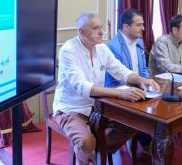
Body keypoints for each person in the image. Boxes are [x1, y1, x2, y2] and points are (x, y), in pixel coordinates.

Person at [53, 12, 159, 165]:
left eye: (101, 27)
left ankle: (97, 150)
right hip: (71, 108)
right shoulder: (68, 51)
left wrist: (142, 79)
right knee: (85, 142)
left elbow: (121, 71)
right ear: (81, 31)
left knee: (134, 123)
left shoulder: (101, 48)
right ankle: (88, 154)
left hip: (97, 106)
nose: (102, 31)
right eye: (96, 28)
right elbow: (82, 86)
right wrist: (121, 93)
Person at [104, 9, 160, 154]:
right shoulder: (112, 46)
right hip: (118, 90)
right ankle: (140, 139)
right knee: (144, 114)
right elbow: (116, 78)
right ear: (126, 27)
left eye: (143, 24)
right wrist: (136, 87)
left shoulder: (139, 42)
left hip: (137, 86)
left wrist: (146, 81)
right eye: (139, 25)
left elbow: (143, 68)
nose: (143, 28)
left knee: (159, 104)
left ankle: (147, 139)